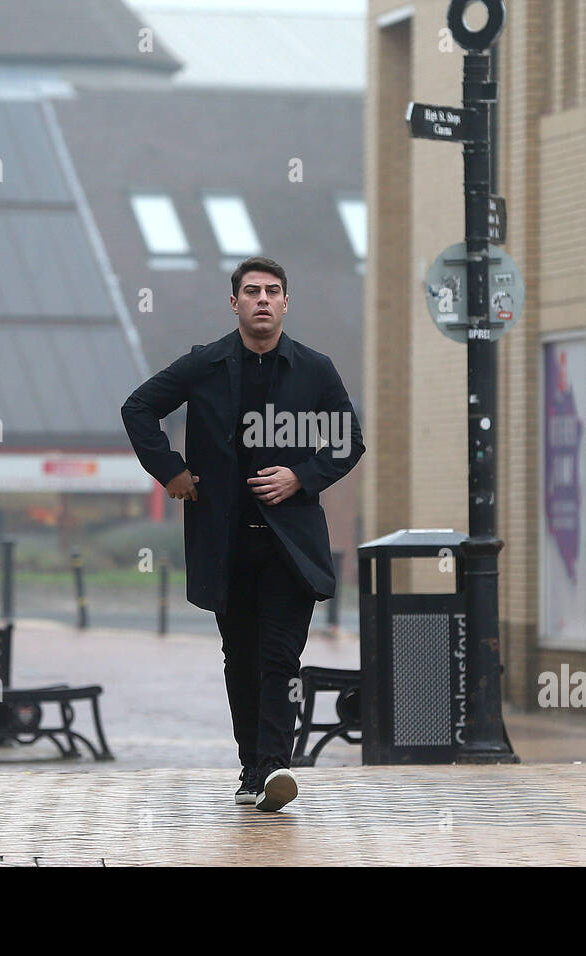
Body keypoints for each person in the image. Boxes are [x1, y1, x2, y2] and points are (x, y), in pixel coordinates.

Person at [121, 255, 364, 811]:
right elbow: (138, 408)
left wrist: (301, 476)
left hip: (291, 545)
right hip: (224, 540)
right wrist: (173, 471)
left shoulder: (315, 369)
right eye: (251, 291)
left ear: (285, 303)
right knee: (241, 658)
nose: (262, 299)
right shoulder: (204, 364)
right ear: (234, 304)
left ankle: (276, 766)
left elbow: (349, 440)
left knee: (280, 657)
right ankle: (251, 767)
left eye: (272, 291)